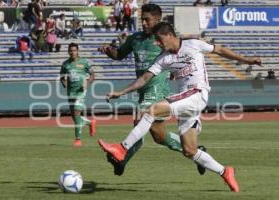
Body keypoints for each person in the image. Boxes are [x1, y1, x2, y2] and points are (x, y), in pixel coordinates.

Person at [98, 22, 262, 192]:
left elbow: (219, 50)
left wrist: (247, 60)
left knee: (152, 111)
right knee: (190, 150)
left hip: (197, 93)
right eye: (156, 41)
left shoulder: (193, 44)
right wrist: (122, 92)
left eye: (159, 40)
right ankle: (225, 171)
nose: (157, 43)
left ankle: (122, 148)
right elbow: (144, 78)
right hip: (186, 101)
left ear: (169, 35)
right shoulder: (164, 57)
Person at [98, 4, 206, 176]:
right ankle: (198, 152)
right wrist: (108, 50)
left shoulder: (162, 40)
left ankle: (121, 158)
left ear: (158, 19)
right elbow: (119, 55)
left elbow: (180, 54)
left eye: (147, 19)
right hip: (142, 90)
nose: (144, 23)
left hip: (158, 88)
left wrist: (174, 72)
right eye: (142, 19)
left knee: (140, 120)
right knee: (159, 136)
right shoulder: (135, 39)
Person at [60, 43, 97, 147]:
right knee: (75, 117)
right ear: (68, 52)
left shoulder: (85, 62)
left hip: (81, 92)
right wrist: (64, 82)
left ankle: (78, 139)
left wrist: (87, 83)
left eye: (74, 50)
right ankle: (90, 123)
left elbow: (93, 75)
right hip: (71, 92)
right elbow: (62, 77)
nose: (72, 52)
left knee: (76, 112)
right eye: (71, 51)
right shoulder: (65, 64)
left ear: (78, 51)